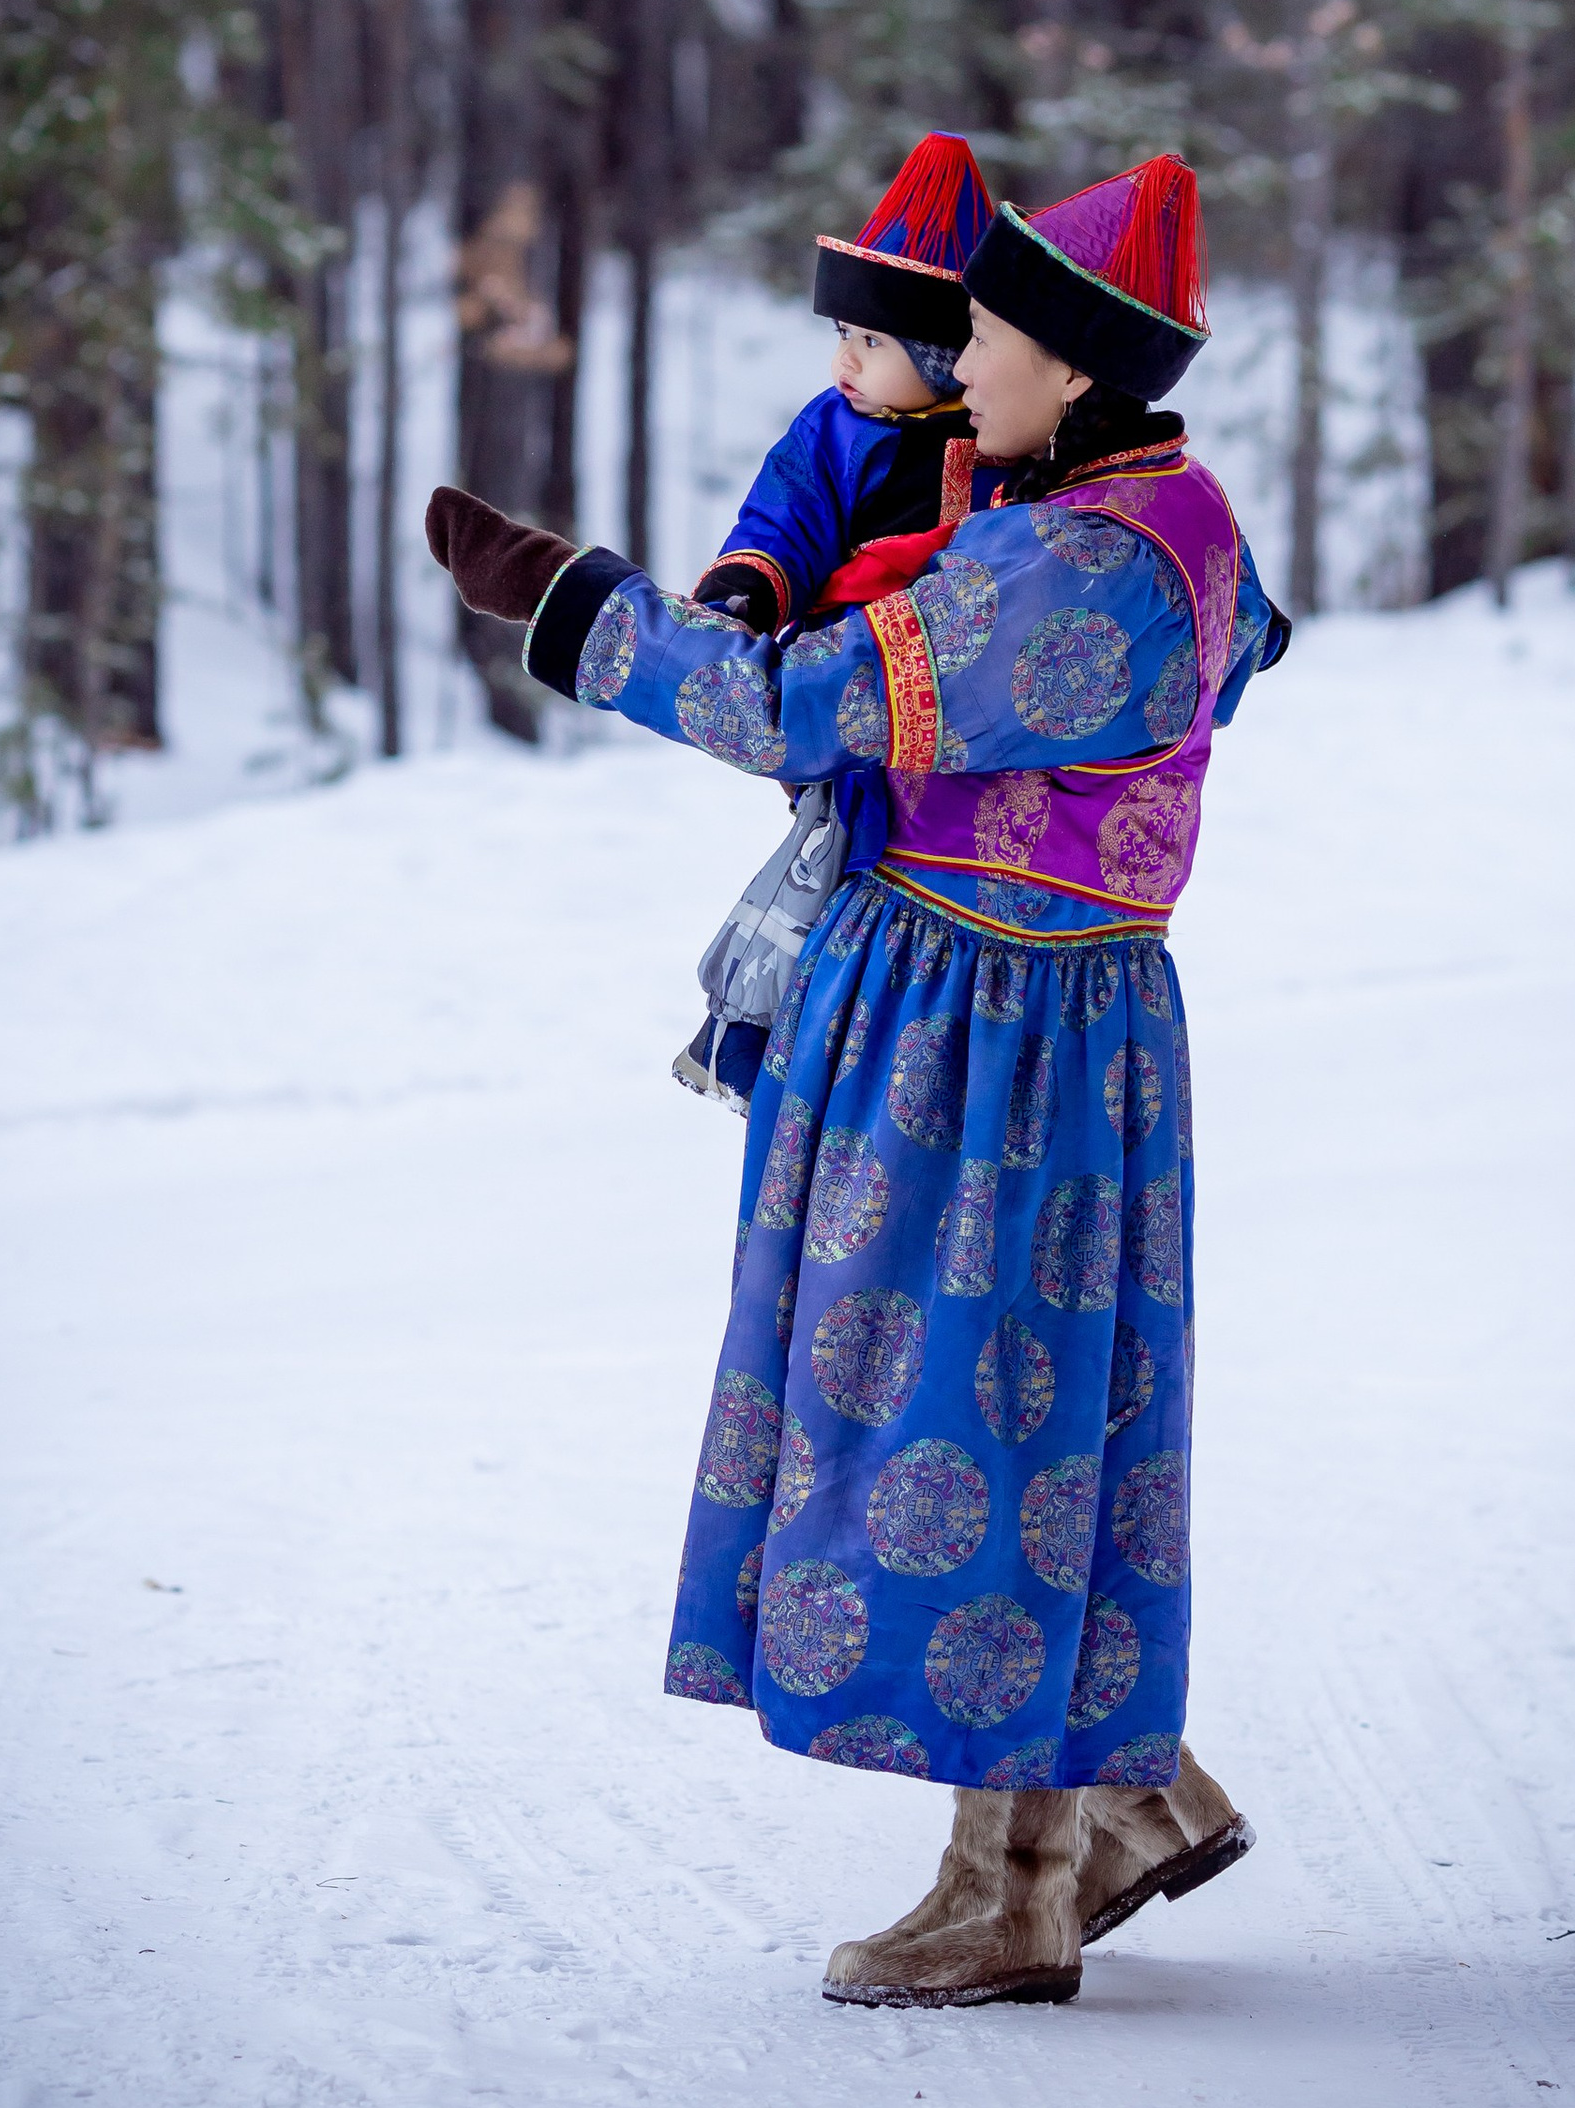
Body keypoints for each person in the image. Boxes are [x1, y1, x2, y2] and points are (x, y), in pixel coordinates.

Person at [426, 153, 1288, 2011]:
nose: (947, 366)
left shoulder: (1078, 567)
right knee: (1030, 1422)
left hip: (989, 1032)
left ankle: (1021, 1885)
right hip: (1045, 1008)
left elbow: (793, 704)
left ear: (1071, 363)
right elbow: (1259, 641)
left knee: (953, 1430)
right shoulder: (1163, 509)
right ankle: (1102, 1812)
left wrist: (567, 598)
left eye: (978, 336)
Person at [672, 133, 1004, 1110]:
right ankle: (769, 1039)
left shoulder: (1004, 439)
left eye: (871, 343)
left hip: (962, 717)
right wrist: (746, 589)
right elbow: (786, 515)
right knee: (838, 867)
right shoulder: (834, 428)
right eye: (844, 337)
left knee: (929, 883)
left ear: (946, 357)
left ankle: (924, 1052)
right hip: (848, 692)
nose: (844, 360)